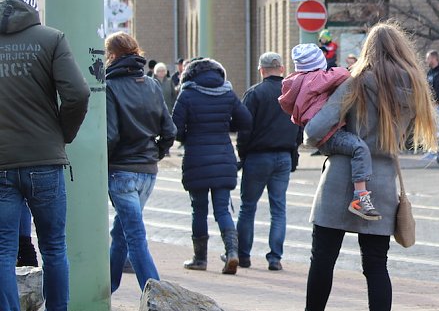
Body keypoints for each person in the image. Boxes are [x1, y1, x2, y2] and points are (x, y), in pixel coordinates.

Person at [298, 21, 437, 311]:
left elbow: (314, 130)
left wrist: (338, 144)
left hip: (340, 179)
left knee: (323, 259)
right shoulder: (415, 88)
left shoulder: (356, 82)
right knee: (376, 265)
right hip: (382, 183)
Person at [0, 0, 90, 311]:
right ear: (29, 0)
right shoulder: (50, 39)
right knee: (53, 248)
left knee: (2, 253)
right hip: (44, 161)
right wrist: (61, 134)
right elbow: (78, 93)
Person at [104, 32, 177, 293]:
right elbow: (169, 130)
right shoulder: (152, 84)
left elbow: (111, 135)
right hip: (148, 170)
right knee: (122, 232)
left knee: (134, 237)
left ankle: (160, 297)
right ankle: (107, 286)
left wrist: (102, 163)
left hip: (121, 170)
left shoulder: (109, 86)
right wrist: (156, 154)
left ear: (111, 55)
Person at [279, 44, 379, 220]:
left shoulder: (294, 82)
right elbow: (343, 74)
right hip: (331, 134)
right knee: (359, 148)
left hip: (320, 136)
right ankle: (360, 197)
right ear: (318, 63)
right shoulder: (316, 79)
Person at [172, 58, 252, 274]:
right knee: (222, 209)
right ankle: (232, 252)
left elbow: (175, 128)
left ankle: (200, 259)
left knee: (198, 210)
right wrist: (225, 126)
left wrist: (189, 136)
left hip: (196, 159)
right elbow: (246, 121)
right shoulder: (227, 92)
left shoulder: (187, 94)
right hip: (223, 158)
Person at [235, 52, 302, 271]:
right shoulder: (292, 93)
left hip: (257, 156)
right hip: (284, 156)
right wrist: (294, 152)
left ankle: (243, 255)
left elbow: (244, 128)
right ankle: (275, 258)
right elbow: (299, 127)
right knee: (278, 209)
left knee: (247, 207)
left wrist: (242, 154)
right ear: (282, 69)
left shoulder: (254, 93)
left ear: (261, 70)